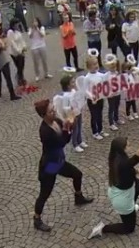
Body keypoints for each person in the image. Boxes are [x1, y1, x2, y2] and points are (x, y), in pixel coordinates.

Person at [87, 130, 139, 239]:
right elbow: (137, 158)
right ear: (122, 149)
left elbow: (127, 168)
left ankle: (131, 207)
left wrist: (137, 171)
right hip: (122, 200)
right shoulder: (122, 162)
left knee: (138, 183)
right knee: (129, 228)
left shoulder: (116, 157)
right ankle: (103, 228)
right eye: (128, 146)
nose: (129, 147)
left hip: (119, 191)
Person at [33, 98, 94, 232]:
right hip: (50, 166)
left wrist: (71, 123)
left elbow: (65, 130)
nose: (54, 111)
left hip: (59, 161)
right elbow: (62, 142)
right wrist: (68, 128)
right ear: (43, 115)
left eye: (53, 108)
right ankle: (37, 218)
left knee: (77, 174)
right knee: (45, 193)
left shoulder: (56, 121)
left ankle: (78, 197)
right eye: (51, 111)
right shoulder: (45, 131)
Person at [56, 75, 87, 152]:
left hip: (78, 112)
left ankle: (80, 141)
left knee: (79, 127)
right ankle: (75, 144)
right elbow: (65, 107)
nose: (74, 83)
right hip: (72, 115)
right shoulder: (66, 96)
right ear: (68, 85)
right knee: (75, 129)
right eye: (72, 82)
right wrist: (71, 110)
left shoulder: (73, 92)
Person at [85, 56, 108, 139]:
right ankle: (95, 132)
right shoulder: (87, 78)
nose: (96, 65)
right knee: (94, 115)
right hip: (92, 100)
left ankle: (100, 129)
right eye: (94, 64)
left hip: (100, 98)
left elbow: (105, 81)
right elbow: (86, 90)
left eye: (97, 63)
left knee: (99, 114)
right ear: (89, 67)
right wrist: (91, 97)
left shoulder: (100, 75)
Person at [28, 18, 53, 82]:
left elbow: (42, 35)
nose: (35, 23)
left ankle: (46, 73)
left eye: (36, 21)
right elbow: (30, 36)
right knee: (36, 62)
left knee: (44, 61)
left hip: (42, 45)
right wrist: (33, 29)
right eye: (33, 22)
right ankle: (37, 75)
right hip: (34, 47)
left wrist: (37, 29)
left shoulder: (42, 28)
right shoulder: (30, 29)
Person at [7, 18, 28, 90]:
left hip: (21, 50)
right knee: (19, 66)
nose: (17, 25)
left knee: (22, 65)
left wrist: (24, 47)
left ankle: (21, 77)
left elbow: (21, 40)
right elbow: (12, 43)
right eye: (16, 24)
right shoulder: (10, 32)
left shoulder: (17, 31)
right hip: (14, 52)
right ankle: (20, 78)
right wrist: (18, 51)